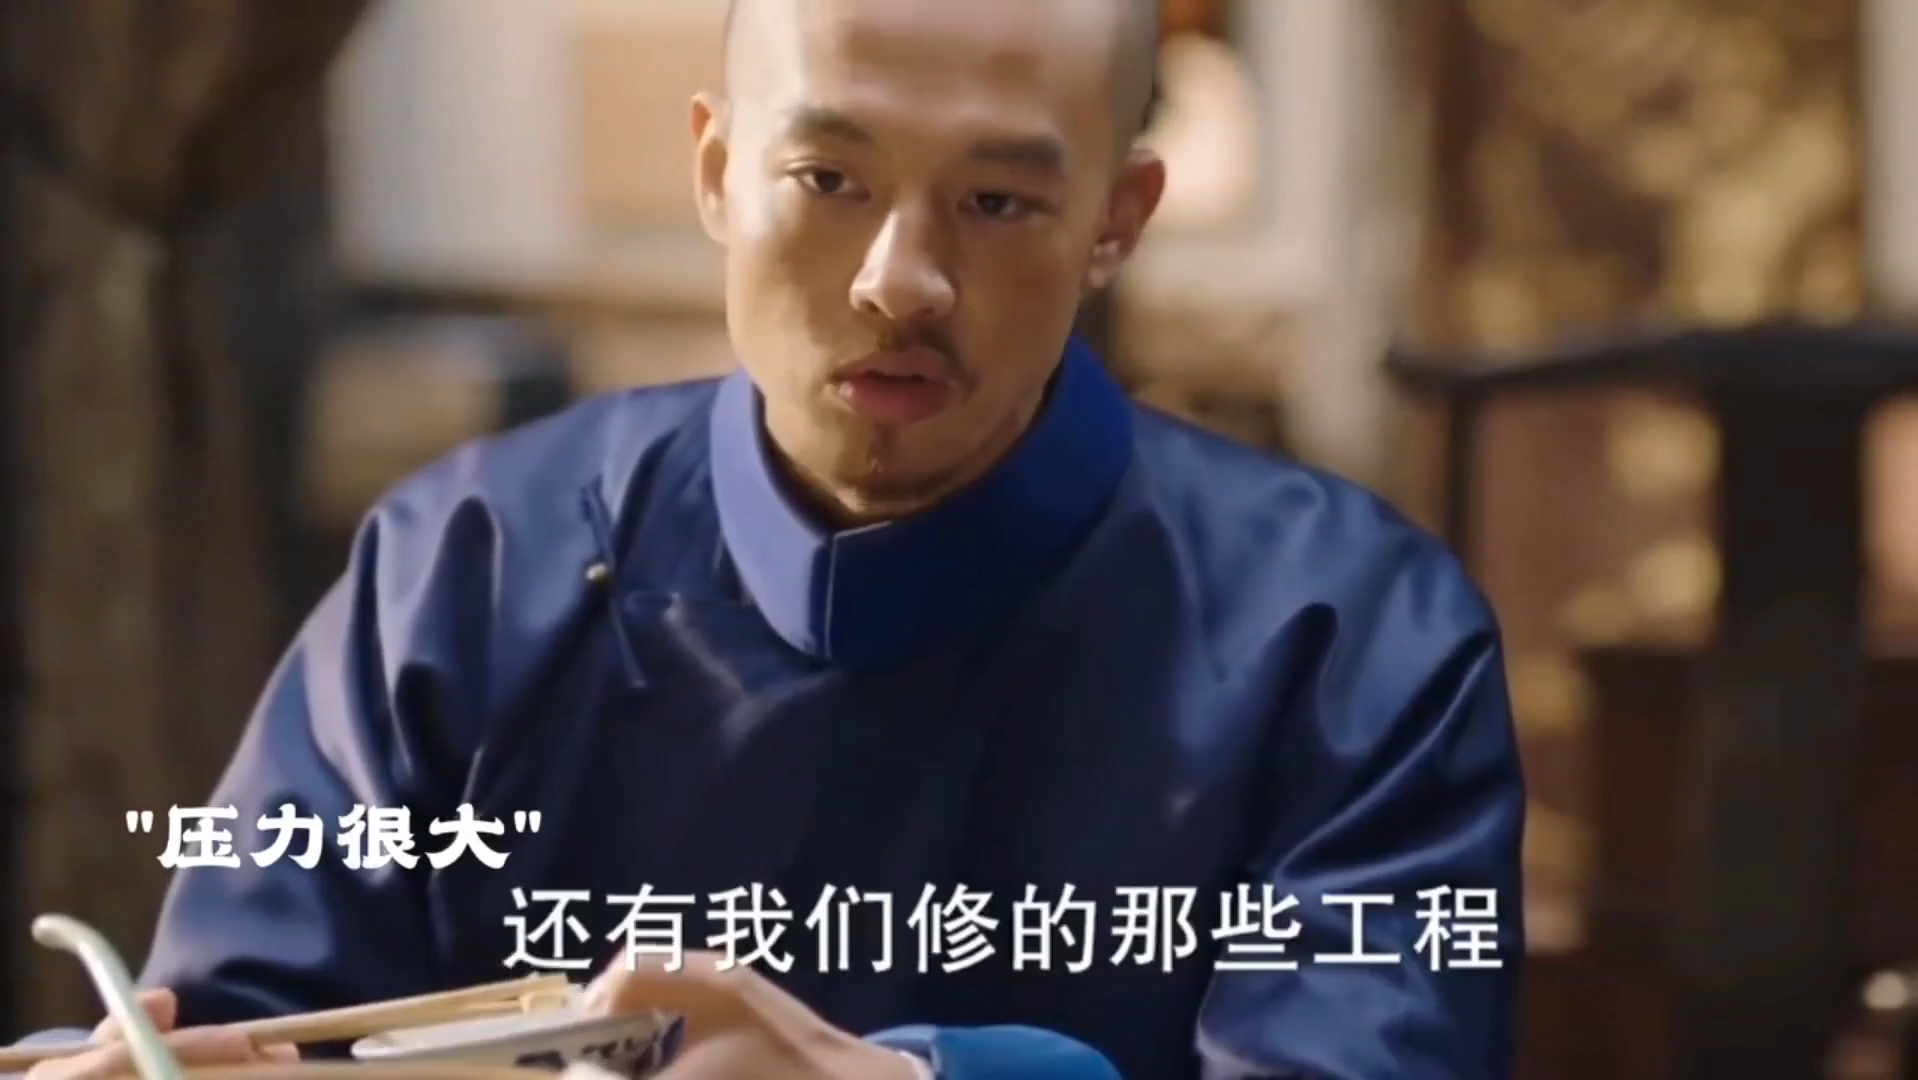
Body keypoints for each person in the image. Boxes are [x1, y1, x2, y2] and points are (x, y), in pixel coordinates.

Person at [16, 0, 1525, 1076]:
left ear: (1118, 220)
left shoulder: (1352, 637)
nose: (898, 281)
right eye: (828, 180)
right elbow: (247, 1019)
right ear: (717, 170)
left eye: (998, 201)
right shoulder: (460, 568)